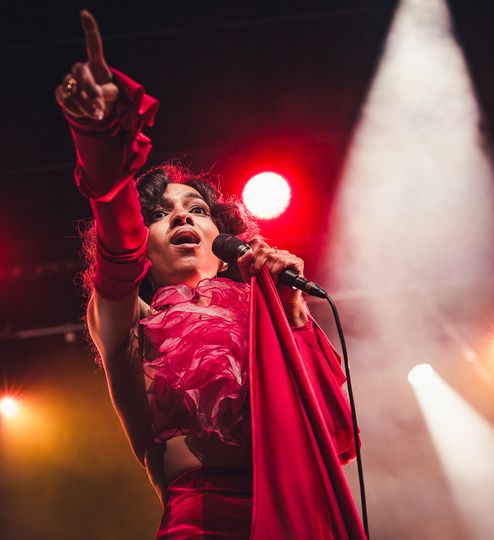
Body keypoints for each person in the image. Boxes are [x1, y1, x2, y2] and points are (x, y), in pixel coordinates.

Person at [56, 10, 366, 539]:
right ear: (144, 245)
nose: (181, 218)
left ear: (224, 248)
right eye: (159, 213)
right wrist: (100, 138)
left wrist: (293, 314)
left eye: (196, 209)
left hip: (300, 518)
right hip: (203, 521)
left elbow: (333, 438)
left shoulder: (268, 316)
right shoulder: (130, 322)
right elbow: (116, 246)